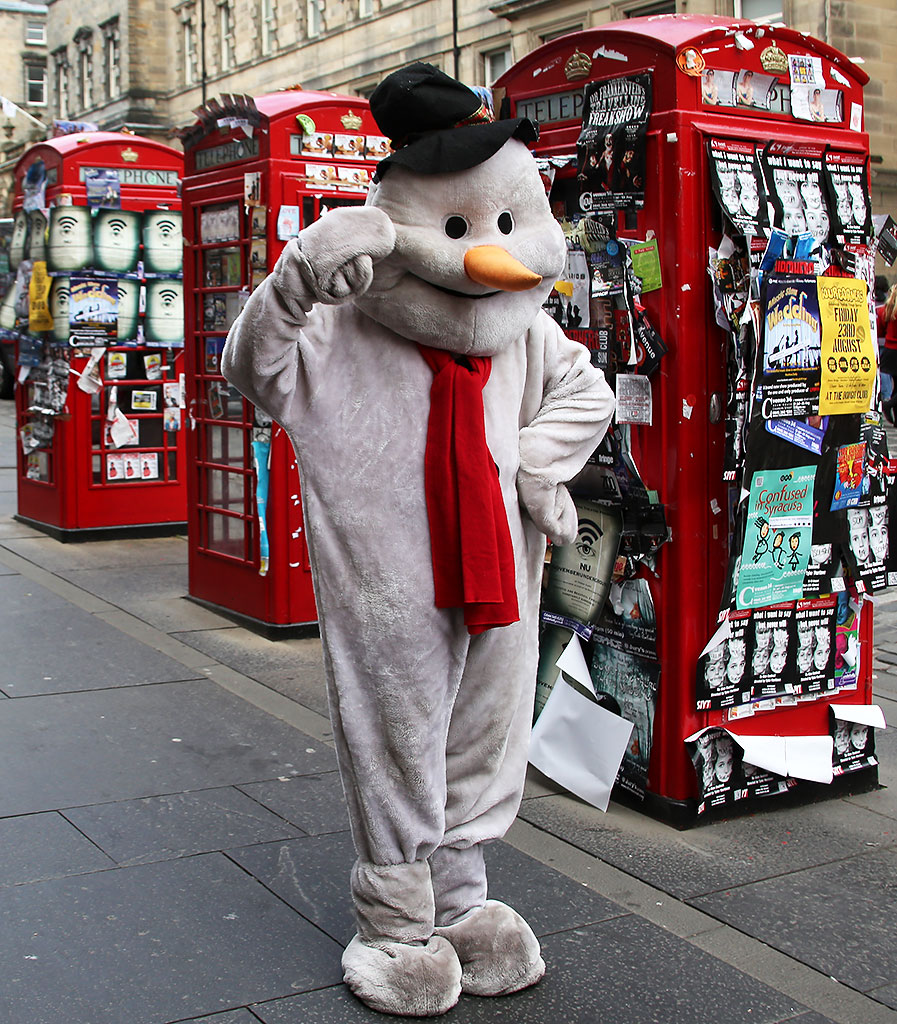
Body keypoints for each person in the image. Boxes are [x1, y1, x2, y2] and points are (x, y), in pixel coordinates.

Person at [877, 282, 897, 423]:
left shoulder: (887, 309)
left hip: (889, 352)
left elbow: (880, 329)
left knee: (896, 387)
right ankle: (887, 404)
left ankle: (895, 420)